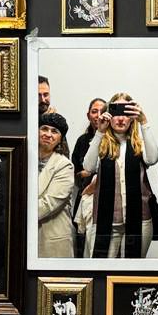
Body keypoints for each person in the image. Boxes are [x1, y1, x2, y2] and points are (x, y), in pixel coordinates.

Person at [80, 93, 158, 258]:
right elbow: (88, 166)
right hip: (106, 220)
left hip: (140, 220)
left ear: (132, 118)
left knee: (133, 269)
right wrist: (100, 132)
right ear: (109, 115)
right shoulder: (101, 143)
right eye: (116, 113)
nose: (121, 119)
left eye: (126, 113)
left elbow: (152, 159)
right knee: (102, 267)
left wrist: (144, 122)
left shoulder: (139, 144)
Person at [69, 97, 106, 256]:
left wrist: (92, 173)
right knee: (82, 243)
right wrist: (88, 172)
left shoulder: (114, 139)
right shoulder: (82, 141)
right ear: (88, 115)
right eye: (94, 111)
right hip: (85, 196)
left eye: (102, 111)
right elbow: (76, 171)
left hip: (108, 199)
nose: (98, 115)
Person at [36, 112, 75, 258]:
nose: (48, 134)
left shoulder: (64, 165)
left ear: (60, 139)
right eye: (44, 129)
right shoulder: (24, 158)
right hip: (25, 238)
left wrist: (15, 215)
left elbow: (49, 203)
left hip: (52, 241)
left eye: (54, 131)